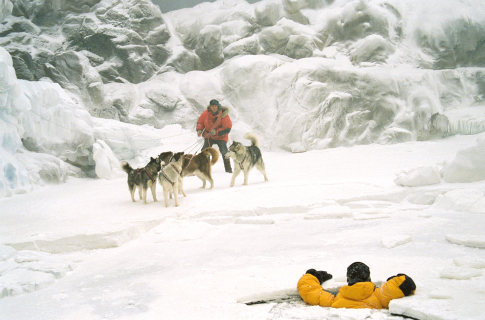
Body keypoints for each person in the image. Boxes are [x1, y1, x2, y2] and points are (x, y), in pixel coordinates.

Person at [297, 262, 416, 309]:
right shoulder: (381, 296)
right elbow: (405, 282)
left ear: (348, 279)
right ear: (369, 278)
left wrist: (313, 276)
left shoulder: (335, 301)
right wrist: (392, 279)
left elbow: (309, 291)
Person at [197, 99, 233, 173]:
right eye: (212, 106)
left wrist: (216, 132)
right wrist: (199, 130)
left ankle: (228, 170)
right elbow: (200, 122)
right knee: (204, 151)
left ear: (218, 106)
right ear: (210, 107)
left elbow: (227, 128)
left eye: (215, 106)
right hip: (209, 136)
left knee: (224, 151)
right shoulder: (205, 113)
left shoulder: (224, 115)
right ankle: (204, 168)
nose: (214, 108)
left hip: (221, 137)